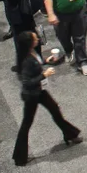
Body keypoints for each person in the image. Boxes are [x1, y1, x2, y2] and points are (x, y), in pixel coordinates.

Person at [12, 30, 81, 166]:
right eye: (34, 38)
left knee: (55, 110)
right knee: (27, 124)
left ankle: (70, 134)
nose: (37, 38)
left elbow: (36, 63)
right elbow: (27, 82)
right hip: (32, 95)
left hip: (39, 91)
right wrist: (44, 75)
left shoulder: (31, 53)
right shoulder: (26, 61)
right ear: (29, 43)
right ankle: (20, 156)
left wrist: (45, 61)